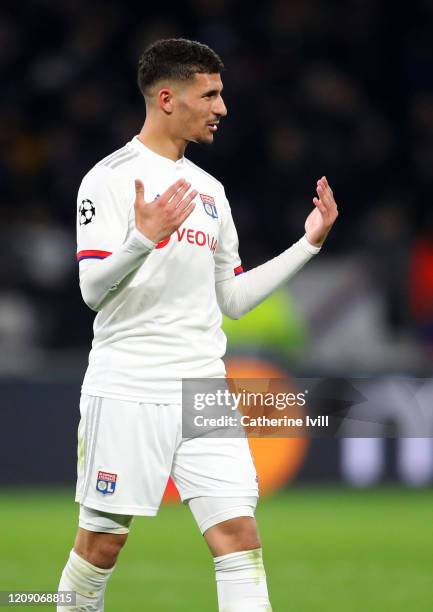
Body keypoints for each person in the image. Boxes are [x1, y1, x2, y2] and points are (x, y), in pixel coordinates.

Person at [57, 38, 338, 612]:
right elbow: (91, 290)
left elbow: (232, 299)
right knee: (101, 546)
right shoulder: (108, 180)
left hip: (203, 388)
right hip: (129, 385)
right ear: (167, 98)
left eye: (221, 94)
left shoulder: (211, 193)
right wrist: (142, 238)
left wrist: (306, 245)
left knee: (238, 536)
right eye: (209, 94)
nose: (221, 108)